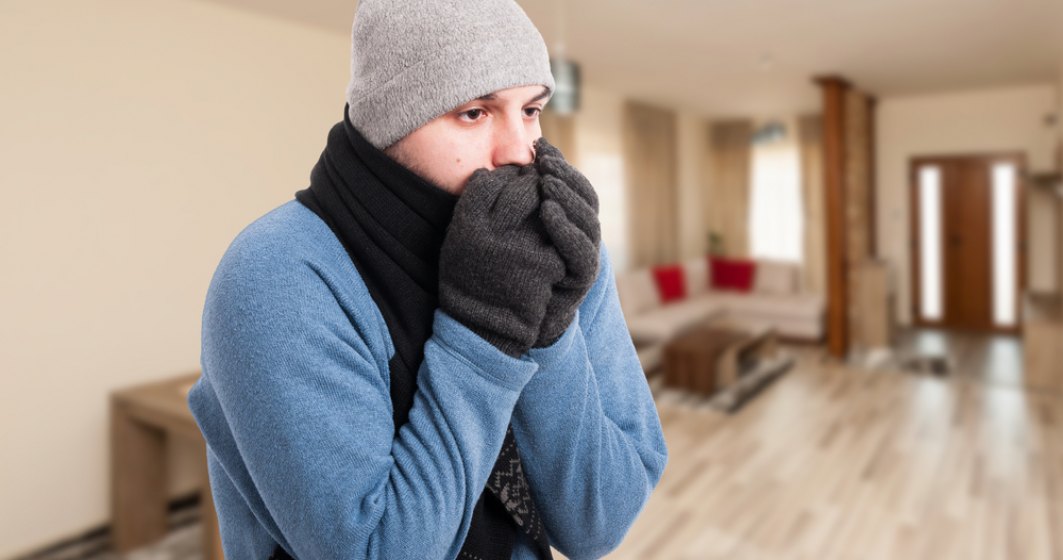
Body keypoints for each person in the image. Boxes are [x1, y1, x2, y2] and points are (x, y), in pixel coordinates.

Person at [187, 0, 667, 558]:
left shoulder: (552, 243)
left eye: (531, 110)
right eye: (475, 112)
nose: (520, 151)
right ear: (389, 121)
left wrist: (551, 329)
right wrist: (486, 334)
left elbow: (599, 523)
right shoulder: (278, 275)